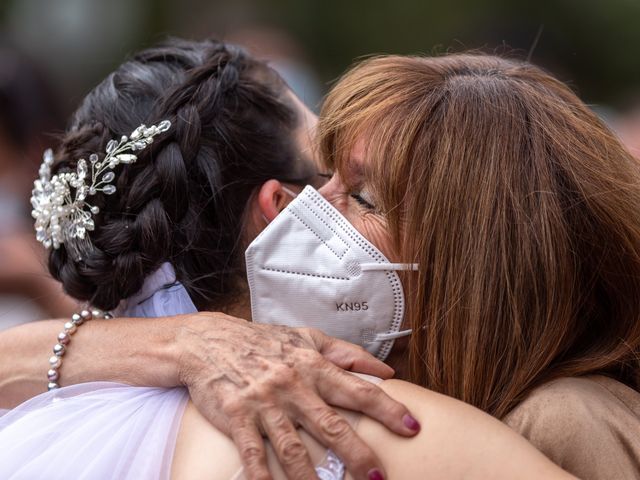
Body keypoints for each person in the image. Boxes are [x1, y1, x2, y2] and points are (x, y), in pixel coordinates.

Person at [0, 38, 420, 480]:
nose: (338, 202)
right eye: (328, 176)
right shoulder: (416, 433)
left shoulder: (44, 433)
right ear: (276, 207)